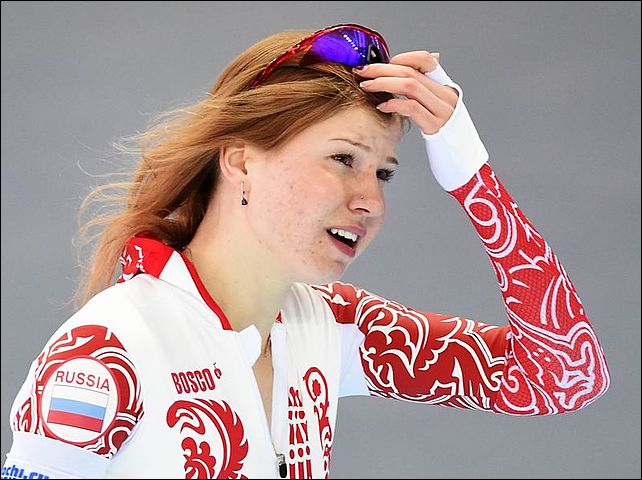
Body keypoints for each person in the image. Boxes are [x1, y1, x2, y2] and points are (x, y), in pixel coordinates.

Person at [2, 23, 610, 479]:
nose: (371, 201)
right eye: (343, 158)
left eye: (384, 173)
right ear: (241, 162)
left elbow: (563, 376)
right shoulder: (106, 351)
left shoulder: (330, 326)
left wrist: (470, 174)